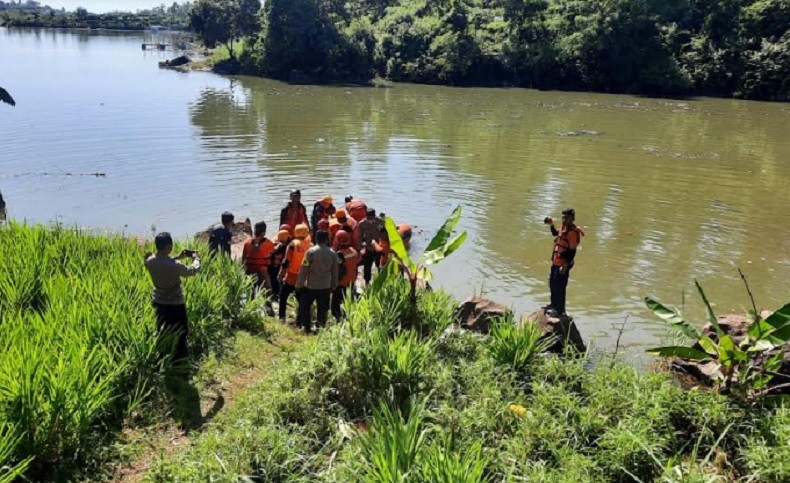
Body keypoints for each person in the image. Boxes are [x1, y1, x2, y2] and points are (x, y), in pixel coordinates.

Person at [145, 232, 201, 364]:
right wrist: (197, 259)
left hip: (159, 301)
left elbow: (164, 263)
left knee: (162, 328)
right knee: (181, 330)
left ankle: (162, 354)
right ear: (169, 247)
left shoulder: (150, 261)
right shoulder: (174, 265)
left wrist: (178, 257)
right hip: (175, 303)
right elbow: (191, 271)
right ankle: (179, 358)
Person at [295, 230, 338, 334]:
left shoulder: (310, 252)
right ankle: (320, 329)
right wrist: (333, 286)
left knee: (305, 306)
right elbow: (335, 272)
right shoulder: (333, 253)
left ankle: (306, 327)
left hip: (311, 286)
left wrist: (298, 285)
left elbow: (303, 269)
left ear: (316, 239)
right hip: (325, 286)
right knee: (323, 309)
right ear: (327, 239)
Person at [545, 208, 583, 317]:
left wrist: (565, 265)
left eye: (565, 217)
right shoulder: (564, 228)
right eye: (562, 217)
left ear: (572, 218)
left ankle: (559, 310)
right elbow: (555, 234)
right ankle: (553, 305)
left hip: (563, 264)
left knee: (560, 287)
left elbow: (572, 251)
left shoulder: (572, 232)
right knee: (552, 284)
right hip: (556, 262)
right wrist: (551, 224)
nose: (563, 219)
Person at [278, 223, 311, 323]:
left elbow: (285, 262)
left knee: (283, 296)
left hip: (291, 276)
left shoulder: (293, 244)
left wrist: (281, 274)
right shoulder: (310, 244)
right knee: (301, 299)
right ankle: (301, 319)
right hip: (303, 276)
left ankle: (282, 317)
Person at [241, 221, 275, 299]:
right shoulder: (268, 243)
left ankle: (250, 309)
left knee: (250, 294)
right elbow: (272, 254)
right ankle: (268, 308)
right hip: (262, 271)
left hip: (250, 271)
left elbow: (243, 259)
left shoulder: (247, 243)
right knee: (267, 293)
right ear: (264, 232)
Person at [331, 230, 359, 321]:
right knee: (347, 300)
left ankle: (337, 318)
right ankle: (347, 317)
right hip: (351, 280)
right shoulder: (354, 251)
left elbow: (338, 270)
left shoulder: (340, 254)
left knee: (335, 303)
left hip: (341, 282)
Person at [358, 207, 383, 284]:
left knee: (378, 262)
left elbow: (384, 232)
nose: (370, 219)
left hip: (378, 246)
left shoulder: (380, 221)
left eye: (372, 217)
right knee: (367, 266)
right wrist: (360, 248)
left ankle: (380, 276)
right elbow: (360, 237)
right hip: (368, 247)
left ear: (374, 216)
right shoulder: (362, 223)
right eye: (368, 218)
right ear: (366, 216)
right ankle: (367, 282)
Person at [269, 228, 291, 298]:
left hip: (271, 267)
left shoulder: (274, 245)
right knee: (279, 283)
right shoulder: (285, 247)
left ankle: (274, 294)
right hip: (279, 267)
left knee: (273, 282)